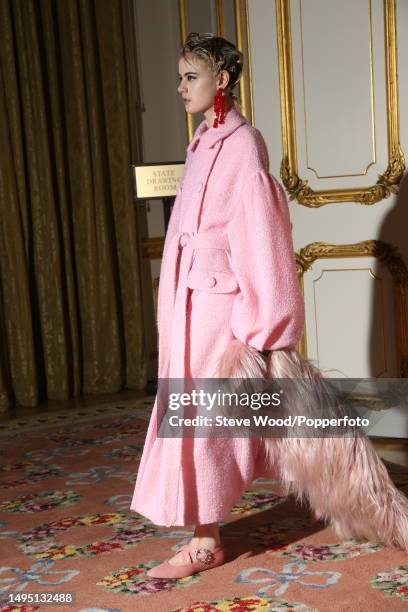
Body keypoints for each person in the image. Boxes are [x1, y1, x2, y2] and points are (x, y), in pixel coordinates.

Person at [131, 32, 408, 580]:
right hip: (187, 303)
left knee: (210, 425)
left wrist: (265, 326)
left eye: (192, 76)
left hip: (220, 311)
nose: (180, 87)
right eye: (180, 76)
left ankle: (204, 539)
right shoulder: (203, 142)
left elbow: (263, 241)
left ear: (222, 81)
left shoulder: (242, 145)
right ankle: (202, 530)